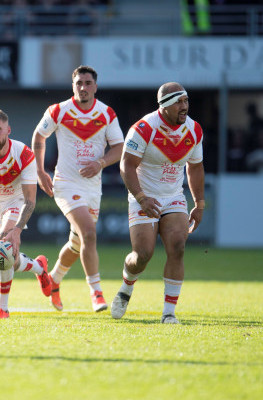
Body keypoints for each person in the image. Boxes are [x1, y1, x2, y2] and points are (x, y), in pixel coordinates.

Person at [32, 65, 124, 312]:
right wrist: (40, 171)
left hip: (93, 188)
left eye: (87, 83)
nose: (83, 87)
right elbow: (39, 136)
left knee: (77, 243)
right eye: (78, 83)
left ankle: (53, 279)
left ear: (95, 86)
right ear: (73, 86)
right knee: (89, 234)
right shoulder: (58, 110)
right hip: (66, 184)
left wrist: (100, 163)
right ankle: (96, 292)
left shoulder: (106, 113)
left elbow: (119, 148)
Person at [111, 82, 205, 324]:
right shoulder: (143, 128)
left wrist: (199, 203)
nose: (184, 107)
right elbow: (126, 165)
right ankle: (127, 286)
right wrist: (141, 198)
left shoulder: (194, 130)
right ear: (164, 106)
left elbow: (195, 167)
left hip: (173, 197)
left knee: (178, 247)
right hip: (143, 195)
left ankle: (168, 313)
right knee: (142, 254)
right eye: (178, 102)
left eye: (186, 101)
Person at [0, 109, 52, 319]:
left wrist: (16, 230)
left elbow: (30, 200)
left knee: (2, 245)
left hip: (17, 201)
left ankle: (2, 309)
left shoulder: (24, 154)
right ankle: (38, 267)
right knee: (7, 259)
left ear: (8, 131)